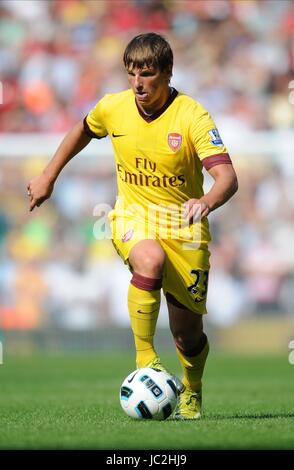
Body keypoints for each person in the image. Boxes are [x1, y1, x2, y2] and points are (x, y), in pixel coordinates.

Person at [27, 32, 238, 420]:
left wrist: (206, 201)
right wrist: (48, 177)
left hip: (184, 228)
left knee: (186, 335)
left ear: (168, 72)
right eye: (131, 73)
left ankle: (192, 390)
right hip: (130, 217)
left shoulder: (192, 115)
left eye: (148, 73)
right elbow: (82, 130)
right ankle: (147, 359)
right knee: (149, 260)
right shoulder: (113, 108)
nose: (138, 83)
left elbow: (227, 177)